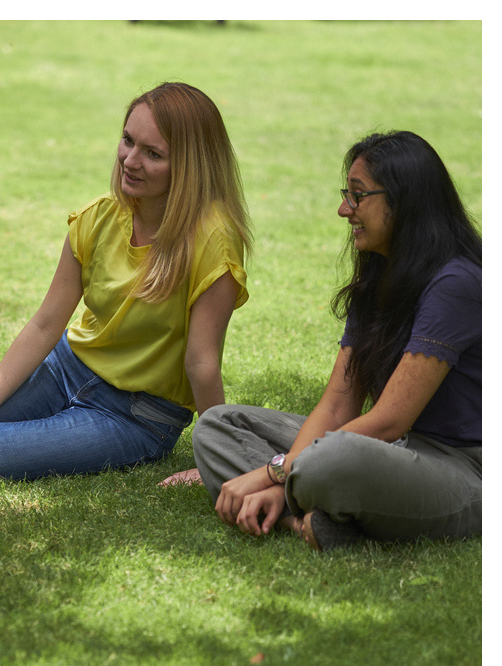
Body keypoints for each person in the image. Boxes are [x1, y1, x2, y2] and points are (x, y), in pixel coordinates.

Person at [0, 82, 251, 480]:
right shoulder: (97, 218)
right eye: (128, 141)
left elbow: (201, 362)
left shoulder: (212, 241)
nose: (130, 161)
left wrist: (216, 462)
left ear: (190, 165)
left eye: (153, 154)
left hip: (138, 415)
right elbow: (46, 324)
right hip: (65, 367)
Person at [192, 131, 481, 550]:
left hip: (464, 470)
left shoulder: (456, 283)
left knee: (333, 460)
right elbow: (337, 405)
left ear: (404, 201)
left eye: (358, 195)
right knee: (216, 428)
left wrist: (274, 474)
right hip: (394, 452)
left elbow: (388, 420)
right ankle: (310, 521)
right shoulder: (379, 275)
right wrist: (291, 470)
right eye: (347, 193)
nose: (344, 209)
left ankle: (295, 497)